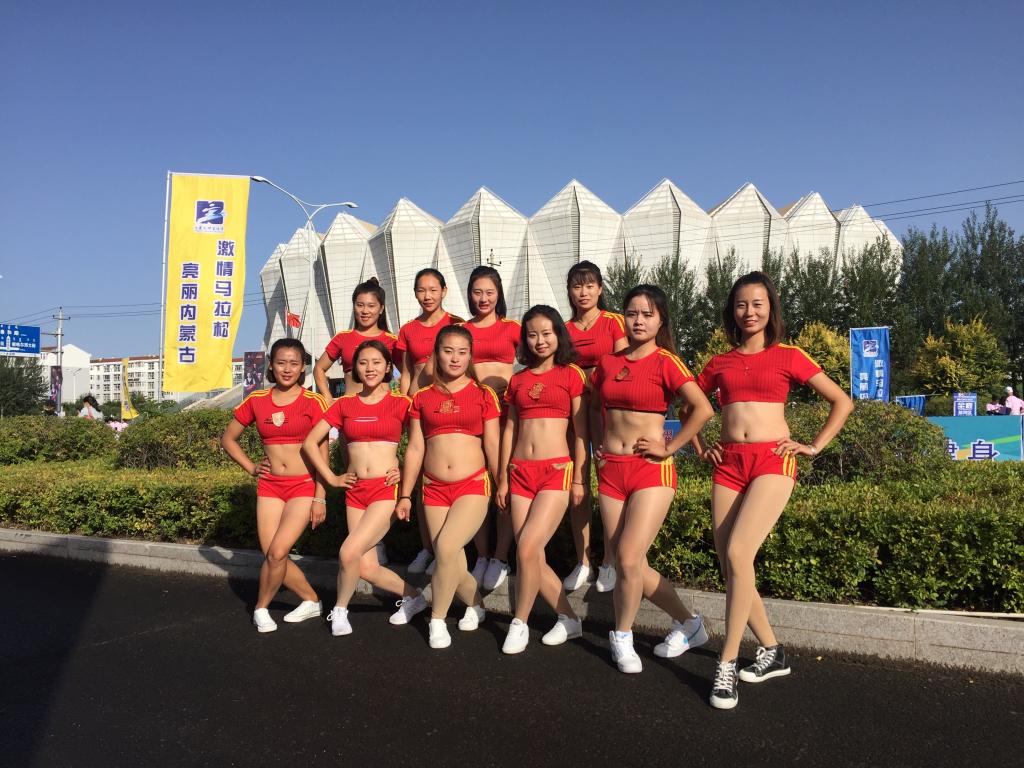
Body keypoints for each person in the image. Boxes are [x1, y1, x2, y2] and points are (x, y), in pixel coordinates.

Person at [694, 271, 852, 710]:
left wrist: (813, 446)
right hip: (728, 463)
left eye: (758, 304)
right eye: (741, 304)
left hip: (773, 460)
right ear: (732, 311)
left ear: (771, 309)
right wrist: (700, 445)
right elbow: (692, 405)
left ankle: (727, 663)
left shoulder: (788, 355)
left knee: (738, 553)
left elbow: (842, 401)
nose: (749, 312)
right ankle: (772, 650)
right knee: (730, 564)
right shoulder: (719, 363)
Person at [591, 284, 714, 674]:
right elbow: (594, 406)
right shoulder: (608, 363)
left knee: (628, 558)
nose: (638, 321)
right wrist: (598, 445)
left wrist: (670, 446)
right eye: (632, 313)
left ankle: (621, 636)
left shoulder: (666, 362)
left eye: (647, 314)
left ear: (661, 321)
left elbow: (702, 408)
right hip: (611, 469)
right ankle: (690, 624)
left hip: (650, 468)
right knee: (629, 564)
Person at [301, 340, 428, 634]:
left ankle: (340, 610)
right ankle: (415, 597)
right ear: (355, 368)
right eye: (363, 362)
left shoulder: (402, 403)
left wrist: (404, 472)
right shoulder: (344, 404)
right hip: (355, 491)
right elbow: (310, 442)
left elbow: (420, 446)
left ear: (388, 367)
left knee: (348, 553)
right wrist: (331, 478)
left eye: (376, 362)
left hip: (385, 489)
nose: (370, 368)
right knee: (367, 567)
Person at [394, 326, 501, 649]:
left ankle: (437, 619)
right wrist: (405, 494)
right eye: (448, 351)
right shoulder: (422, 397)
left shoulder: (484, 394)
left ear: (470, 356)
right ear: (436, 355)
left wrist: (502, 485)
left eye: (462, 352)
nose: (455, 358)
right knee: (451, 559)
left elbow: (493, 445)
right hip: (433, 488)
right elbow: (415, 448)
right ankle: (476, 605)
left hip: (473, 484)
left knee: (444, 548)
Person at [495, 305, 588, 654]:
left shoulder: (571, 374)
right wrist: (503, 477)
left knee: (527, 548)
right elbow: (510, 429)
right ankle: (569, 619)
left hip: (556, 471)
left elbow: (581, 432)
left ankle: (519, 622)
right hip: (520, 472)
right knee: (531, 554)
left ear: (558, 335)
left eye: (547, 333)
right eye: (532, 334)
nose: (540, 341)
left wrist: (579, 479)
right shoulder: (518, 380)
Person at [221, 338, 329, 633]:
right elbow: (228, 439)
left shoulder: (313, 401)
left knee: (278, 552)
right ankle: (311, 600)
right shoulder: (257, 400)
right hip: (270, 486)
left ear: (303, 367)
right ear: (271, 365)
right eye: (281, 363)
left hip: (303, 486)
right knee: (272, 553)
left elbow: (322, 454)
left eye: (294, 363)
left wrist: (320, 497)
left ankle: (260, 607)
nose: (287, 369)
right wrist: (251, 467)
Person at [563, 260, 628, 593]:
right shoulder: (563, 329)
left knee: (608, 484)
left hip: (605, 411)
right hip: (574, 412)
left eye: (590, 285)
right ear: (569, 291)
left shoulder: (614, 322)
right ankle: (584, 561)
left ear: (600, 289)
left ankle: (611, 561)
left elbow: (622, 367)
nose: (583, 292)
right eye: (577, 286)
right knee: (578, 485)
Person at [395, 268, 464, 575]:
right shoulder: (408, 330)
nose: (427, 296)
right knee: (423, 479)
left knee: (449, 475)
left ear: (444, 291)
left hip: (445, 405)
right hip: (417, 405)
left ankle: (452, 548)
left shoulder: (456, 324)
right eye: (421, 290)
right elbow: (406, 372)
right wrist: (404, 401)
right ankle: (428, 547)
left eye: (433, 289)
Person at [461, 265, 520, 590]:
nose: (483, 298)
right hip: (475, 415)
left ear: (499, 294)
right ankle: (482, 554)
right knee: (477, 485)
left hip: (507, 414)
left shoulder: (512, 328)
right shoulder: (462, 330)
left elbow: (539, 357)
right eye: (477, 292)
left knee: (504, 481)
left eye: (489, 292)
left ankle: (500, 556)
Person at [314, 277, 398, 404]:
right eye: (360, 305)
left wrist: (401, 401)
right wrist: (328, 398)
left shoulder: (391, 340)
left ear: (381, 309)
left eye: (371, 306)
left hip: (384, 408)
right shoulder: (343, 338)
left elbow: (408, 373)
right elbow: (319, 368)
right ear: (354, 306)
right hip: (351, 408)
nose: (365, 311)